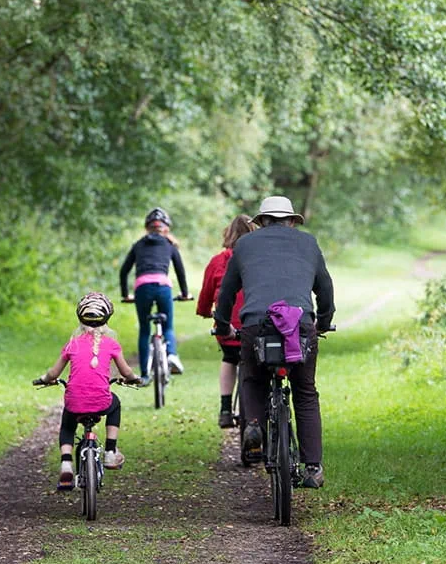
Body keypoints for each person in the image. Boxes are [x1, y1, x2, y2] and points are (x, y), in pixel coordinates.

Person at [214, 196, 334, 489]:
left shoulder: (243, 246)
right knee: (305, 392)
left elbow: (227, 292)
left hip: (257, 325)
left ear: (261, 221)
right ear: (292, 220)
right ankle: (312, 467)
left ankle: (253, 425)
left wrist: (222, 326)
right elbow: (325, 288)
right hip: (300, 326)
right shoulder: (308, 243)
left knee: (253, 379)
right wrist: (323, 321)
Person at [36, 292, 141, 491]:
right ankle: (110, 451)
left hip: (75, 402)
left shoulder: (72, 344)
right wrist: (133, 378)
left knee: (68, 423)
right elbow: (125, 371)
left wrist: (44, 379)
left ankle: (66, 463)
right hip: (102, 402)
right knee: (115, 403)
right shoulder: (111, 345)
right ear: (106, 320)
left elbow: (53, 372)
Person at [120, 207, 191, 383]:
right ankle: (172, 355)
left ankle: (144, 375)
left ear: (147, 228)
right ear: (166, 228)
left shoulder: (138, 245)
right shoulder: (170, 245)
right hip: (163, 286)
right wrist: (184, 293)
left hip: (142, 288)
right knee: (168, 327)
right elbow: (180, 271)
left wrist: (126, 294)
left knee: (145, 329)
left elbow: (124, 272)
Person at [196, 214, 255, 428]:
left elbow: (206, 294)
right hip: (255, 325)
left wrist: (204, 311)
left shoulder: (218, 261)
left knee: (230, 359)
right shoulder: (258, 260)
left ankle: (225, 408)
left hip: (226, 325)